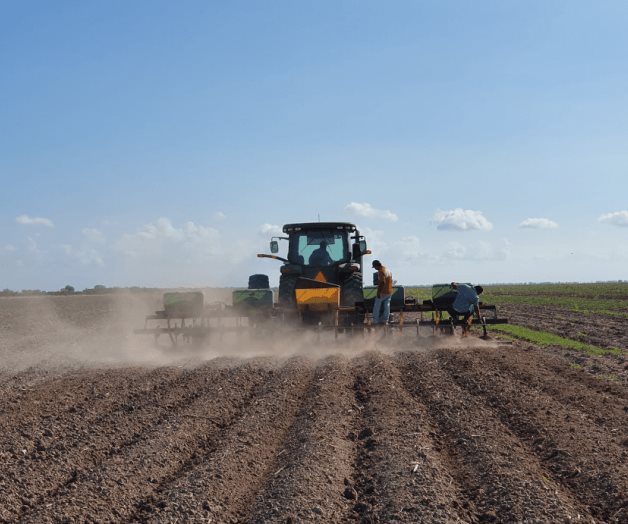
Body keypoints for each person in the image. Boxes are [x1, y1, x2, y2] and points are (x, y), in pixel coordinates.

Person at [372, 260, 393, 325]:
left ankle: (375, 321)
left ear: (377, 266)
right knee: (387, 305)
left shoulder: (381, 271)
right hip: (389, 291)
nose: (375, 268)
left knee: (377, 306)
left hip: (383, 292)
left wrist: (378, 292)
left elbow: (382, 282)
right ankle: (385, 320)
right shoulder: (387, 269)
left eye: (374, 267)